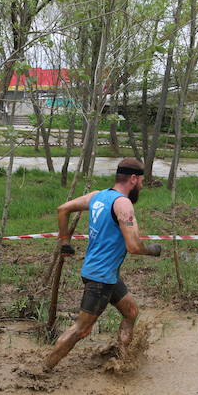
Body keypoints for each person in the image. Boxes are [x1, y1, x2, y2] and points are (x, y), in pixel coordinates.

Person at [42, 158, 161, 372]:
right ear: (133, 179)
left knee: (131, 312)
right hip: (100, 277)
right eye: (142, 181)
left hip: (104, 274)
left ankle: (122, 360)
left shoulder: (98, 196)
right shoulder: (123, 204)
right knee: (81, 329)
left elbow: (63, 209)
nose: (142, 186)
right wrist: (153, 250)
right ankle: (43, 370)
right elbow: (133, 246)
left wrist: (65, 242)